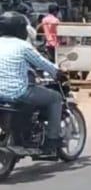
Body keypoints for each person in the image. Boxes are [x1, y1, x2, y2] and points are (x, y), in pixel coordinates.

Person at [0, 12, 63, 154]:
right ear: (19, 29)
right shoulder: (23, 46)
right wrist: (58, 73)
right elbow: (42, 63)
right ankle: (52, 140)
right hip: (17, 92)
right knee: (55, 98)